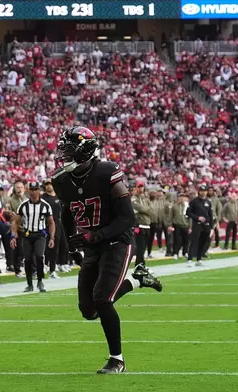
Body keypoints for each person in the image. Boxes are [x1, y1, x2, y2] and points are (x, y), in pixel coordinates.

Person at [51, 127, 163, 374]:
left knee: (102, 298)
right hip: (92, 245)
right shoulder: (60, 180)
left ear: (85, 151)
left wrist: (96, 234)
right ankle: (137, 280)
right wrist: (72, 246)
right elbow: (67, 213)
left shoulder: (107, 172)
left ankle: (117, 360)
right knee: (89, 310)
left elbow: (127, 219)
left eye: (69, 152)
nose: (63, 156)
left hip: (117, 241)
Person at [11, 181, 55, 292]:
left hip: (40, 234)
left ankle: (40, 281)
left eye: (36, 189)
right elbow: (16, 222)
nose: (34, 192)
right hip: (27, 234)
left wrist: (52, 237)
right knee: (28, 259)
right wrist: (13, 236)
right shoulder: (23, 205)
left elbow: (51, 222)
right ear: (28, 190)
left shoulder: (45, 206)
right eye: (32, 190)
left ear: (39, 190)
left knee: (39, 256)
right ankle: (29, 284)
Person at [41, 178, 69, 277]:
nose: (49, 186)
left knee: (57, 246)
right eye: (47, 184)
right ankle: (44, 265)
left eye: (50, 184)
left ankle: (53, 268)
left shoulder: (58, 196)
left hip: (58, 223)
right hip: (46, 224)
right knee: (45, 247)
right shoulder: (43, 198)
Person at [186, 184, 213, 267]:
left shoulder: (208, 202)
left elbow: (210, 215)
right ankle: (190, 259)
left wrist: (211, 227)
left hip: (206, 225)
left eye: (205, 191)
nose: (203, 193)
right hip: (197, 224)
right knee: (194, 242)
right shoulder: (194, 201)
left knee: (203, 242)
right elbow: (188, 213)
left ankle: (199, 259)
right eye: (202, 191)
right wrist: (197, 218)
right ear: (199, 191)